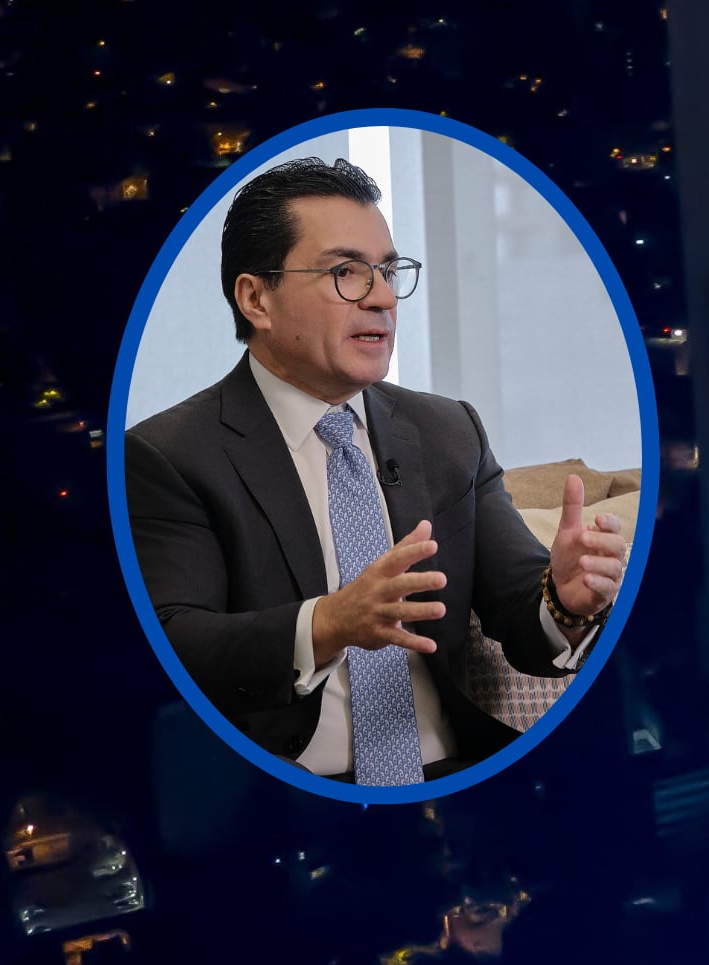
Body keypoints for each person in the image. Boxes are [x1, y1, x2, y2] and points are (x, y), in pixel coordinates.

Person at [125, 156, 627, 787]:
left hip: (460, 775)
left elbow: (521, 612)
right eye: (346, 273)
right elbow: (174, 645)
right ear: (256, 299)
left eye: (388, 271)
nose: (384, 298)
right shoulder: (169, 455)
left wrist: (566, 601)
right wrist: (330, 623)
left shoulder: (449, 431)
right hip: (289, 791)